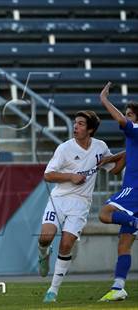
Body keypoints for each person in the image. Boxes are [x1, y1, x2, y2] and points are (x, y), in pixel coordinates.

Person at [37, 110, 125, 303]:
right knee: (45, 237)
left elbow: (116, 170)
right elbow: (48, 175)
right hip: (58, 199)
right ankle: (43, 254)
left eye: (80, 124)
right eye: (75, 123)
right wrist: (71, 176)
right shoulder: (64, 148)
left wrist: (128, 152)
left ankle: (53, 291)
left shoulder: (100, 147)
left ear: (91, 129)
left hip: (80, 204)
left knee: (67, 244)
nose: (75, 127)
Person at [98, 82, 138, 302]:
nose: (126, 116)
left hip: (134, 190)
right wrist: (112, 159)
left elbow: (122, 123)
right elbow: (116, 171)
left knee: (104, 213)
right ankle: (118, 287)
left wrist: (104, 100)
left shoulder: (136, 130)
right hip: (132, 190)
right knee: (124, 243)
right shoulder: (134, 139)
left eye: (130, 114)